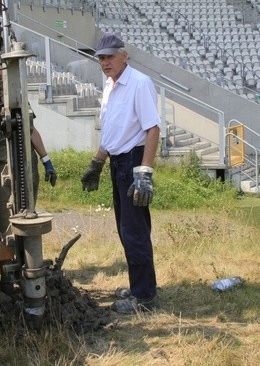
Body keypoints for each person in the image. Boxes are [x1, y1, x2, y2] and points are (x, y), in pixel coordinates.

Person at [81, 31, 161, 315]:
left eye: (110, 57)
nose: (105, 62)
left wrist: (144, 173)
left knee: (134, 230)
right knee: (126, 230)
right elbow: (111, 128)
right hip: (117, 162)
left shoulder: (139, 83)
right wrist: (98, 161)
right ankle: (141, 285)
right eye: (101, 58)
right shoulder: (110, 85)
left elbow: (153, 129)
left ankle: (145, 297)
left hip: (133, 162)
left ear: (124, 55)